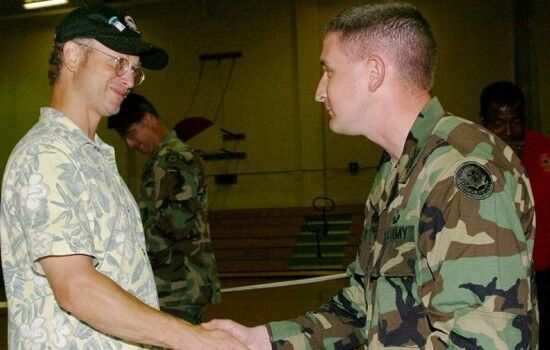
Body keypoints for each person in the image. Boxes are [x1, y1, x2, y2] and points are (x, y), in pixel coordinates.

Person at [204, 2, 538, 349]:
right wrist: (262, 340)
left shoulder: (462, 171)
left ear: (374, 72)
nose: (319, 91)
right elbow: (361, 309)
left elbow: (485, 343)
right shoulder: (397, 169)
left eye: (329, 71)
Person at [0, 3, 244, 349]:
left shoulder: (92, 158)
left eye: (134, 69)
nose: (129, 79)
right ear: (71, 55)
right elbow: (76, 288)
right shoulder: (46, 155)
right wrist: (191, 339)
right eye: (118, 62)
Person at [107, 93, 221, 325]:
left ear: (148, 120)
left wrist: (127, 248)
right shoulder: (162, 160)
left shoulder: (174, 160)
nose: (129, 143)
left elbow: (177, 225)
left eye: (130, 133)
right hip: (173, 282)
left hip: (178, 285)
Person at [480, 80, 550, 348]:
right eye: (498, 122)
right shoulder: (475, 156)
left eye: (516, 121)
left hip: (544, 274)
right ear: (484, 122)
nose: (509, 131)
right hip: (499, 279)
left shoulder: (544, 150)